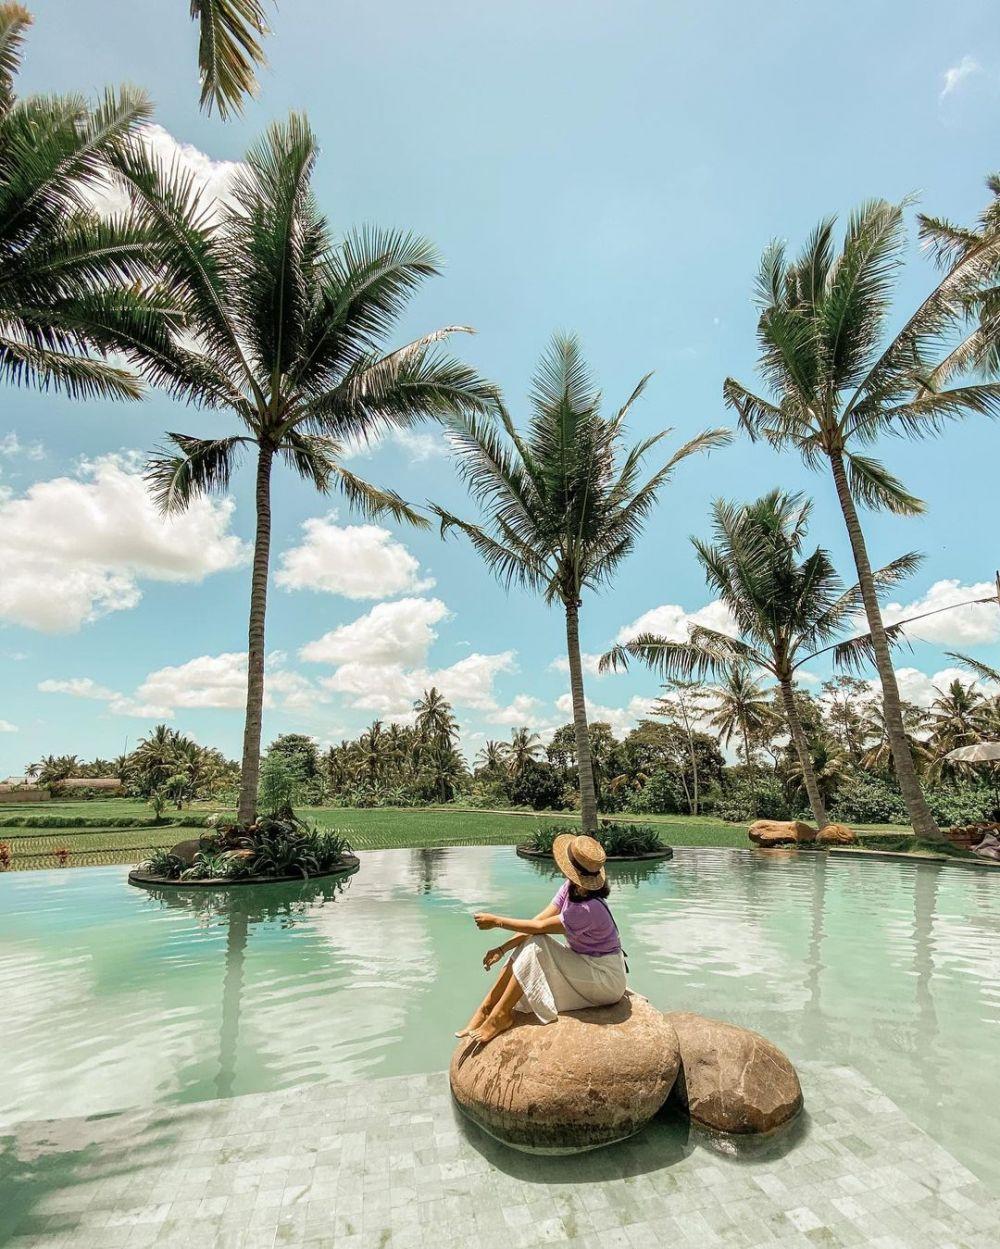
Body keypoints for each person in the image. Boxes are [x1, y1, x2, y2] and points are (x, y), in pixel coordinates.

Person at [456, 833, 627, 1044]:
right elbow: (538, 921)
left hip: (605, 979)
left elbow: (539, 928)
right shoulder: (571, 888)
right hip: (583, 963)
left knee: (537, 944)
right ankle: (487, 1009)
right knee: (532, 942)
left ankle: (499, 1016)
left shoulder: (587, 908)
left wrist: (497, 921)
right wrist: (502, 949)